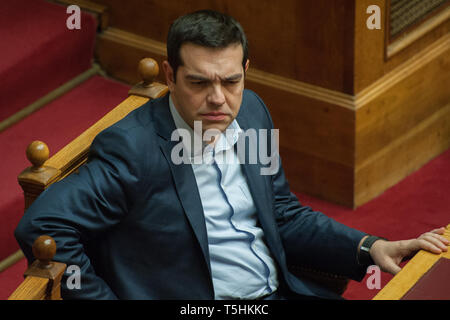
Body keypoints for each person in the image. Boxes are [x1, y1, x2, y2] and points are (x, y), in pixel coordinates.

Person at [15, 10, 448, 300]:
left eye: (231, 81)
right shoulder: (134, 150)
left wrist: (371, 248)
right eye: (199, 83)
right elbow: (43, 226)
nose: (218, 100)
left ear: (246, 71)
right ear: (170, 75)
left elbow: (280, 213)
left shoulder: (253, 112)